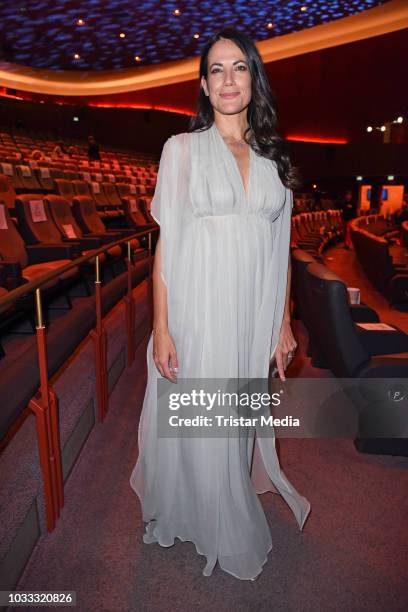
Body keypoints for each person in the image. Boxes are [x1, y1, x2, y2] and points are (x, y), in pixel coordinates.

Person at [129, 27, 311, 581]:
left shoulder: (275, 159)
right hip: (199, 302)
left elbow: (281, 250)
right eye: (216, 70)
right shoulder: (181, 150)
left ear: (254, 80)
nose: (228, 79)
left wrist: (281, 320)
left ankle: (220, 494)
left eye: (239, 67)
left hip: (253, 308)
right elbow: (169, 244)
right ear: (205, 87)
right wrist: (162, 327)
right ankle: (212, 516)